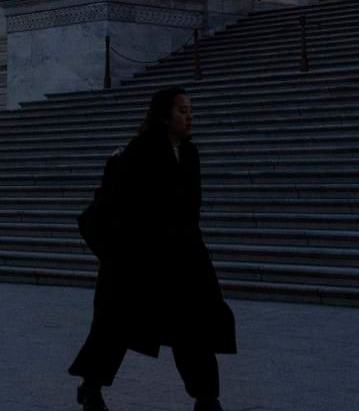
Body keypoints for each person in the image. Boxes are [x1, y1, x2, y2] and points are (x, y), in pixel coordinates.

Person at [69, 86, 235, 411]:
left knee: (193, 329)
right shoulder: (140, 151)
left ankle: (206, 397)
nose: (189, 117)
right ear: (163, 116)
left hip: (183, 259)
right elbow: (120, 206)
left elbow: (191, 212)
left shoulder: (190, 154)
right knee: (115, 329)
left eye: (190, 110)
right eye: (181, 111)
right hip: (140, 260)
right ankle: (90, 386)